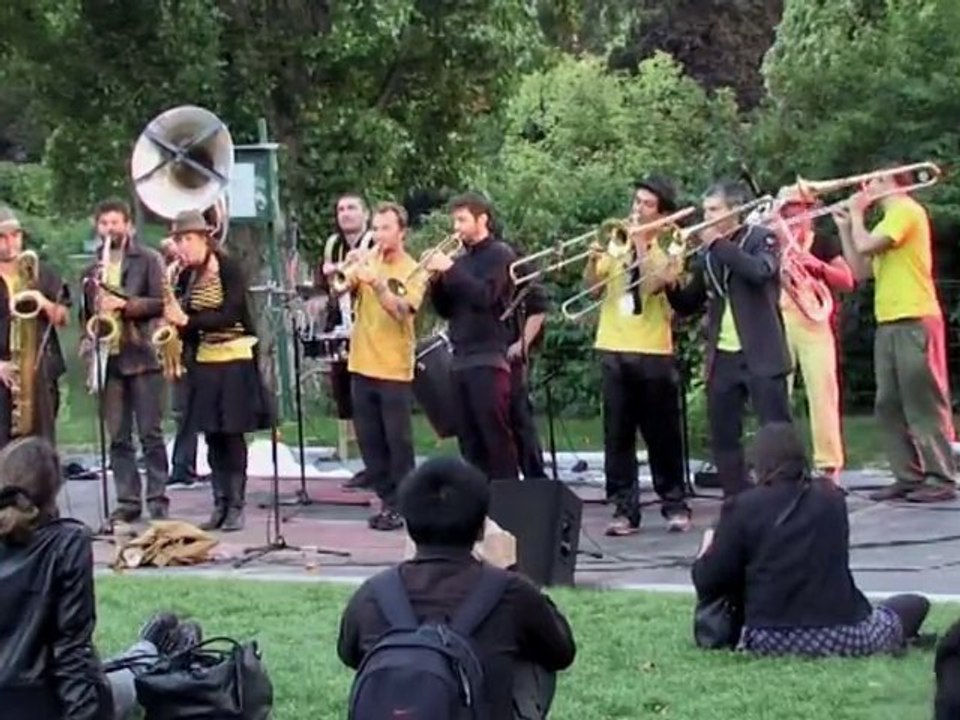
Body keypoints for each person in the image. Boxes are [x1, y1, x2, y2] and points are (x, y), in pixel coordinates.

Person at [338, 456, 576, 719]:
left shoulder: (373, 594)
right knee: (534, 657)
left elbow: (349, 654)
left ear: (407, 525)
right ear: (481, 529)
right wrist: (510, 570)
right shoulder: (512, 592)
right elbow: (561, 651)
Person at [0, 435, 203, 720]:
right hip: (45, 703)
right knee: (127, 681)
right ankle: (154, 655)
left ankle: (148, 649)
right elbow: (71, 652)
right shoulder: (67, 543)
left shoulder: (61, 542)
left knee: (108, 671)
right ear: (53, 489)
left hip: (31, 690)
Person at [692, 422, 931, 657]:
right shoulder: (832, 498)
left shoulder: (742, 507)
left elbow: (710, 581)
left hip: (767, 636)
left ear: (757, 464)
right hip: (841, 632)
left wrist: (707, 547)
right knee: (914, 604)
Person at [835, 166, 956, 502]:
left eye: (875, 180)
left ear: (893, 184)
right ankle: (908, 475)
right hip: (889, 321)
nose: (867, 185)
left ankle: (941, 476)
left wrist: (857, 216)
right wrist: (847, 228)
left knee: (923, 401)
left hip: (915, 318)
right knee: (887, 403)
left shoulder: (906, 211)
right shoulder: (884, 223)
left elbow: (869, 244)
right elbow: (858, 270)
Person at [667, 182, 792, 497]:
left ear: (735, 210)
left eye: (713, 210)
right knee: (724, 434)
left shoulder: (762, 238)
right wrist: (670, 285)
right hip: (723, 355)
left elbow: (760, 271)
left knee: (775, 430)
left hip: (761, 350)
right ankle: (736, 498)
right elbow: (689, 303)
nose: (705, 217)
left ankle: (783, 493)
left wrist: (719, 245)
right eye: (705, 210)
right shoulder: (708, 253)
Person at [585, 177, 692, 536]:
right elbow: (594, 289)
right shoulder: (617, 239)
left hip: (653, 349)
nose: (637, 210)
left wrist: (644, 245)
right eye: (636, 202)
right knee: (617, 434)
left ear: (662, 213)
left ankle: (674, 502)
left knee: (662, 433)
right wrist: (591, 260)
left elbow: (653, 284)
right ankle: (623, 509)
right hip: (613, 345)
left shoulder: (672, 241)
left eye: (646, 205)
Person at [164, 210, 273, 532]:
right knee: (212, 434)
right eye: (179, 241)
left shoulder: (229, 268)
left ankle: (237, 504)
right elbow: (189, 324)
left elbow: (231, 312)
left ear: (204, 239)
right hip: (205, 362)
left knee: (232, 434)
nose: (182, 247)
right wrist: (174, 322)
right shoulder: (185, 276)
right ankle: (219, 503)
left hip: (234, 361)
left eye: (187, 240)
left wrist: (187, 321)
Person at [80, 198, 169, 522]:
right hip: (109, 358)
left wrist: (124, 305)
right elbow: (85, 313)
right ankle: (128, 501)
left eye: (115, 223)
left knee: (150, 433)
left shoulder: (148, 259)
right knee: (118, 436)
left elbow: (162, 302)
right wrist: (87, 338)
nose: (109, 229)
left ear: (128, 225)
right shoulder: (92, 269)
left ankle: (158, 499)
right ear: (97, 225)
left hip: (142, 355)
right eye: (104, 224)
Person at [337, 202, 423, 532]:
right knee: (370, 442)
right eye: (376, 228)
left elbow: (402, 311)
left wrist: (377, 284)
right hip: (361, 362)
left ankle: (405, 505)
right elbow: (341, 289)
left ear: (401, 232)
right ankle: (388, 501)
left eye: (386, 228)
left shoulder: (414, 269)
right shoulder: (369, 259)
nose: (379, 235)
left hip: (394, 368)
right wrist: (349, 272)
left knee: (397, 443)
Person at [426, 192, 519, 481]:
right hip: (461, 357)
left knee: (494, 436)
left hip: (489, 356)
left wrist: (450, 270)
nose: (457, 227)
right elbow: (446, 310)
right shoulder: (461, 261)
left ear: (482, 220)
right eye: (455, 220)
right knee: (468, 437)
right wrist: (436, 282)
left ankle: (507, 499)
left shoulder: (500, 254)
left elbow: (486, 296)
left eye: (463, 220)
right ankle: (478, 500)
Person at [771, 190, 854, 486]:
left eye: (801, 209)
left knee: (823, 392)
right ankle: (781, 463)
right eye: (788, 209)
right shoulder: (769, 241)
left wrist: (814, 264)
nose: (794, 216)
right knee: (778, 394)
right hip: (779, 320)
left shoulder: (821, 242)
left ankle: (828, 466)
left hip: (814, 321)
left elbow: (846, 280)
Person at [312, 192, 375, 486]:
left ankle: (383, 466)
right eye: (341, 209)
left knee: (371, 398)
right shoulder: (332, 245)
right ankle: (369, 463)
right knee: (348, 398)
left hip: (371, 328)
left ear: (366, 214)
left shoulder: (374, 242)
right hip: (342, 325)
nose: (346, 214)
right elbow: (323, 287)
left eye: (352, 208)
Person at [0, 206, 70, 447]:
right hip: (4, 371)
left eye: (15, 235)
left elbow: (63, 318)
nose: (11, 243)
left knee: (42, 447)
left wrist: (43, 303)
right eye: (2, 237)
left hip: (41, 369)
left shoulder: (43, 272)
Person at [503, 240, 548, 480]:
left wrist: (522, 342)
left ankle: (534, 477)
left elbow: (538, 305)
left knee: (519, 417)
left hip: (509, 351)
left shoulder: (513, 259)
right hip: (483, 351)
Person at [160, 235, 199, 489]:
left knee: (197, 410)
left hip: (200, 341)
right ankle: (182, 466)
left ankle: (188, 466)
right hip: (179, 345)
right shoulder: (172, 273)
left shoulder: (203, 273)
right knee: (182, 410)